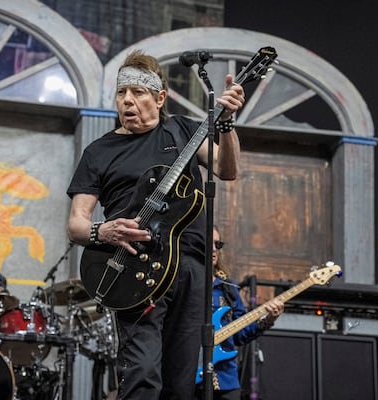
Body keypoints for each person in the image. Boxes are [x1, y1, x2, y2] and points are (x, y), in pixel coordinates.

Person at [66, 49, 244, 399]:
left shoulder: (183, 132)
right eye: (122, 93)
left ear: (160, 98)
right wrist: (103, 231)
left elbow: (227, 170)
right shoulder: (99, 152)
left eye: (138, 92)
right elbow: (75, 223)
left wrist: (227, 125)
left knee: (181, 381)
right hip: (133, 268)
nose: (127, 101)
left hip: (190, 267)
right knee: (142, 373)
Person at [199, 226, 284, 400]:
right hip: (189, 375)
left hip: (225, 379)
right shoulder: (185, 284)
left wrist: (268, 319)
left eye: (218, 244)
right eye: (210, 243)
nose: (214, 249)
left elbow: (239, 335)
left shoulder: (228, 289)